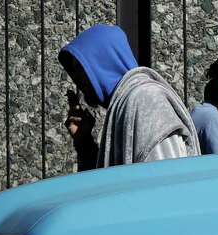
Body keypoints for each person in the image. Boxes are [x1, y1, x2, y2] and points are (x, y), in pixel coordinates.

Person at [59, 25, 199, 171]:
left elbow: (165, 181)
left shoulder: (146, 100)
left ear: (103, 60)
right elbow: (109, 185)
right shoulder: (128, 101)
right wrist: (84, 142)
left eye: (80, 67)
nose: (76, 78)